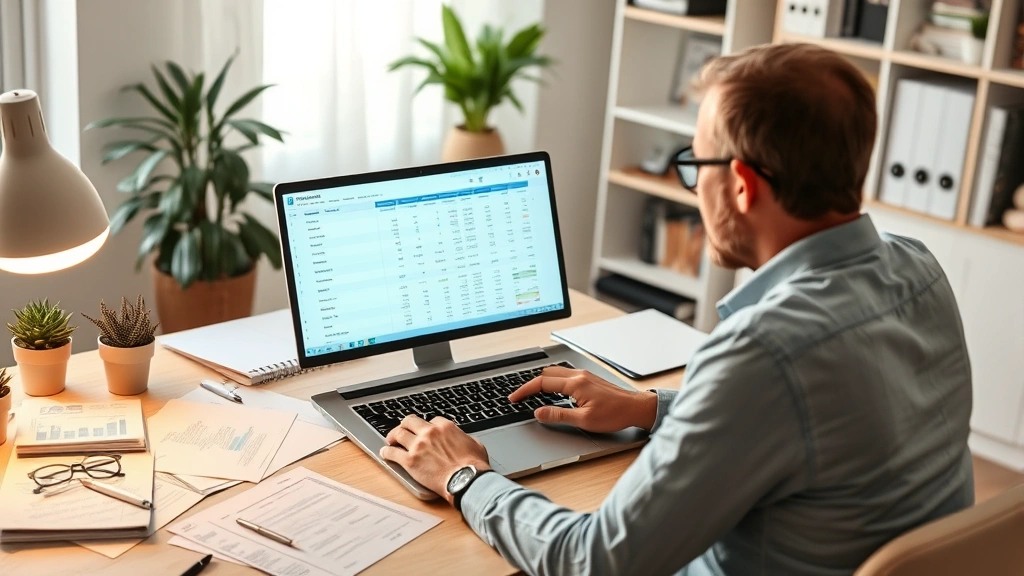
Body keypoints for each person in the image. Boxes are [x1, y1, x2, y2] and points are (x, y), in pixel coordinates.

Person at [379, 43, 974, 575]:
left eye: (695, 165)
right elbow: (816, 419)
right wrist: (648, 406)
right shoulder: (916, 268)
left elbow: (593, 562)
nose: (692, 188)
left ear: (741, 184)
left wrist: (465, 477)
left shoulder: (762, 352)